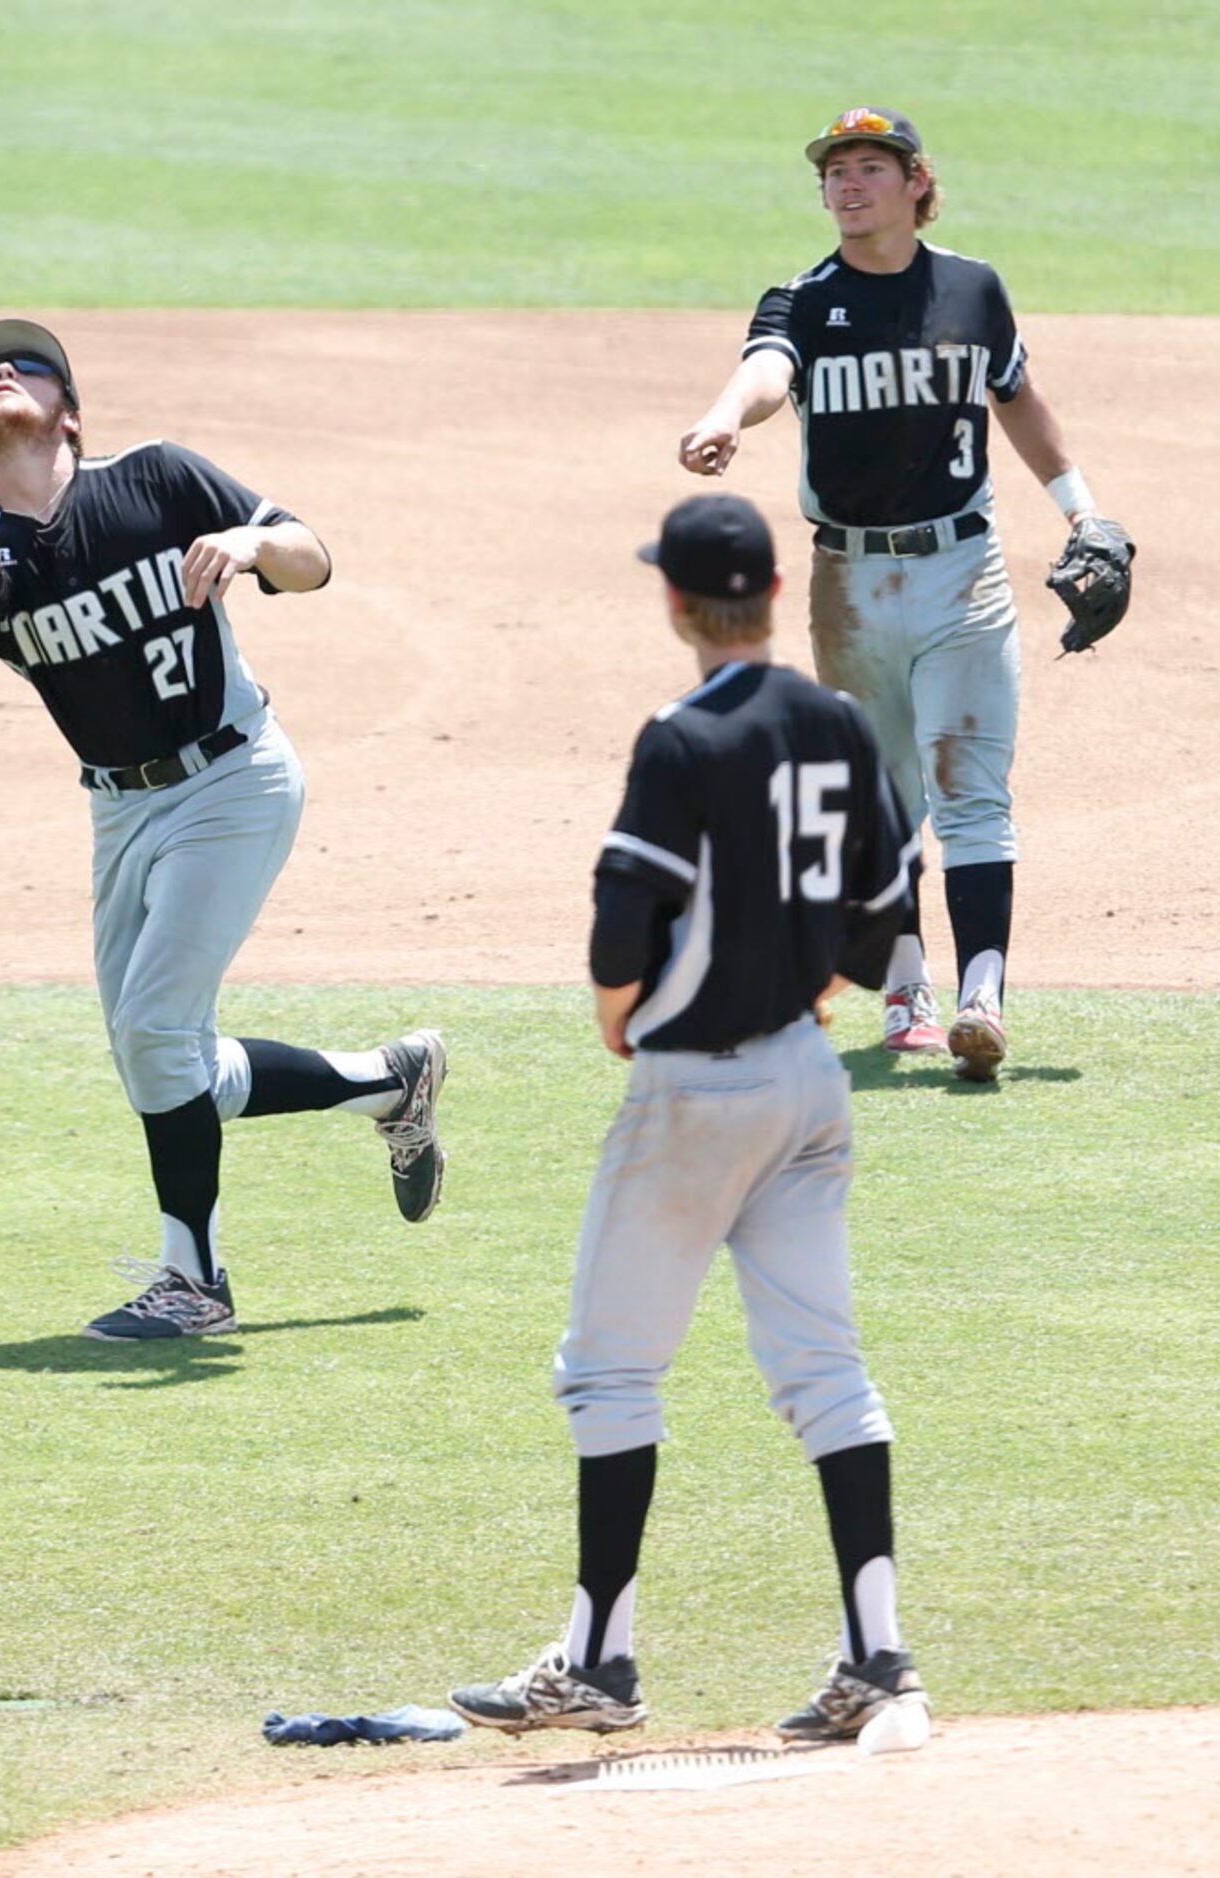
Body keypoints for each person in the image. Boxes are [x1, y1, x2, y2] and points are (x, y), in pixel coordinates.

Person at [449, 494, 928, 1742]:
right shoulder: (838, 721)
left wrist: (620, 1014)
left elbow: (625, 921)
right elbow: (888, 911)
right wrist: (815, 979)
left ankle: (598, 1664)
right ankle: (878, 1656)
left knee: (608, 1374)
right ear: (773, 594)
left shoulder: (681, 736)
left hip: (694, 1099)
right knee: (828, 1375)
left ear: (676, 603)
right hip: (808, 1087)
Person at [0, 316, 447, 1337]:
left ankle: (197, 1284)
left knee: (153, 1036)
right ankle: (387, 1081)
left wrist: (249, 540)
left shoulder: (156, 477)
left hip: (234, 781)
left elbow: (313, 561)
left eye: (29, 367)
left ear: (72, 412)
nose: (2, 374)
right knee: (161, 1057)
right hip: (120, 809)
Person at [679, 106, 1129, 1081]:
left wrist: (1080, 512)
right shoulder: (800, 300)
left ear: (916, 181)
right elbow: (765, 371)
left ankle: (983, 1000)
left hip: (963, 574)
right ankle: (905, 988)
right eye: (833, 171)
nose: (845, 186)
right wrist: (724, 416)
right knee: (883, 801)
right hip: (846, 584)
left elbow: (1017, 398)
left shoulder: (972, 290)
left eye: (868, 168)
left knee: (971, 792)